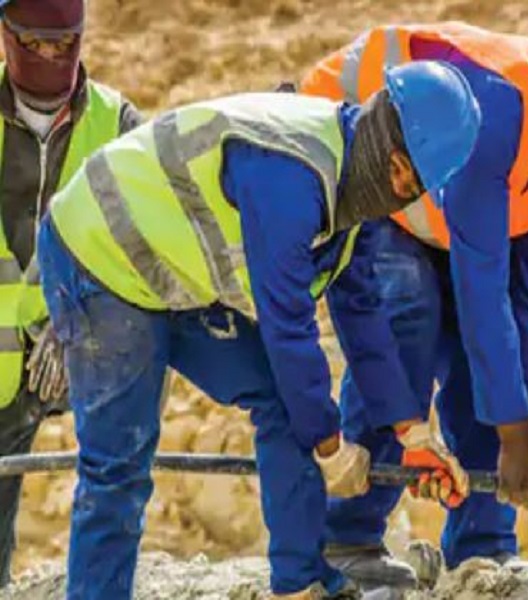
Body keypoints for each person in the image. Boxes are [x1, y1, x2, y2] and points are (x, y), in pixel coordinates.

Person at [37, 61, 480, 599]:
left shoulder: (350, 187)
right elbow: (287, 326)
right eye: (402, 173)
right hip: (100, 251)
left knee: (286, 401)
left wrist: (412, 434)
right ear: (386, 138)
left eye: (415, 187)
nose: (402, 189)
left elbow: (362, 314)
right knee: (119, 464)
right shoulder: (291, 176)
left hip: (170, 270)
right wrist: (330, 447)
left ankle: (301, 584)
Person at [300, 16, 528, 583]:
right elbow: (480, 283)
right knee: (409, 319)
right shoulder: (500, 106)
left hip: (440, 214)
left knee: (488, 366)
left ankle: (482, 550)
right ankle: (346, 540)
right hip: (369, 163)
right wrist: (513, 436)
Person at [0, 0, 142, 587]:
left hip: (76, 347)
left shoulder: (117, 124)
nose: (50, 56)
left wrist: (73, 319)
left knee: (115, 478)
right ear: (5, 35)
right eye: (34, 43)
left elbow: (144, 244)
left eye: (62, 44)